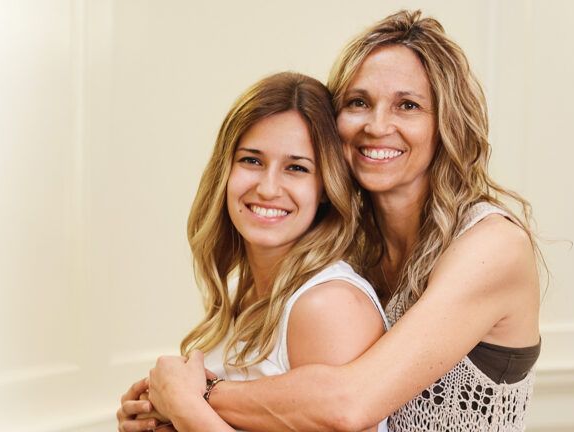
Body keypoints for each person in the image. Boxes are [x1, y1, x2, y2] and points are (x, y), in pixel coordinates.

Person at [119, 9, 542, 432]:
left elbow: (348, 404)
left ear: (446, 122)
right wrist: (163, 416)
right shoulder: (347, 243)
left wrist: (191, 397)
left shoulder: (492, 246)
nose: (377, 126)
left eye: (407, 105)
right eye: (358, 103)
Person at [116, 71, 389, 432]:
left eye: (296, 168)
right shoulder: (247, 295)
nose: (268, 187)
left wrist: (185, 408)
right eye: (252, 160)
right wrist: (154, 418)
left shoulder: (328, 306)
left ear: (325, 187)